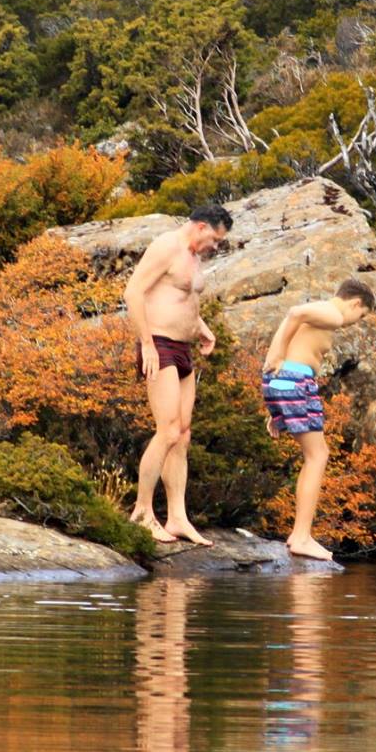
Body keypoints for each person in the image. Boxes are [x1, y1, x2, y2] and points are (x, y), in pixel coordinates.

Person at [123, 204, 233, 546]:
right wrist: (147, 344)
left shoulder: (193, 256)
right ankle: (142, 512)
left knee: (182, 434)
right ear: (201, 227)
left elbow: (180, 298)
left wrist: (202, 327)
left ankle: (177, 518)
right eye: (214, 239)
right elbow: (133, 292)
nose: (215, 247)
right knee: (167, 430)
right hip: (159, 345)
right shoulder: (167, 246)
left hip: (183, 350)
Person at [261, 278, 376, 561]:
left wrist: (275, 403)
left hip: (289, 382)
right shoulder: (334, 314)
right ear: (355, 303)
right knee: (318, 456)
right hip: (294, 380)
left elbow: (293, 327)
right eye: (360, 316)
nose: (355, 322)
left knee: (315, 455)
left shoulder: (325, 315)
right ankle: (301, 536)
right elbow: (294, 313)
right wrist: (276, 356)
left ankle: (299, 534)